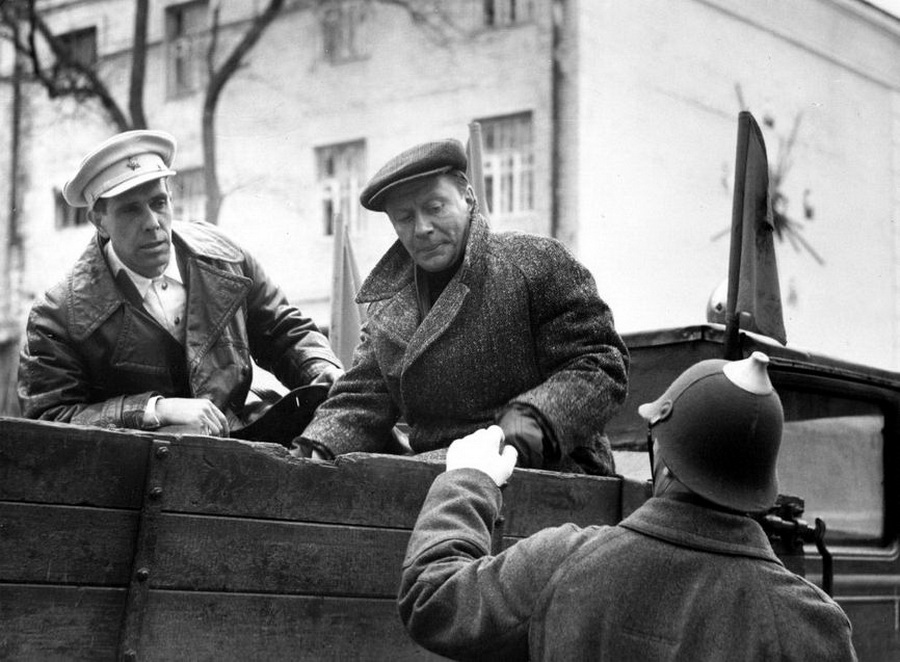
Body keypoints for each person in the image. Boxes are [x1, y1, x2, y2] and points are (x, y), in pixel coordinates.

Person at [398, 352, 858, 661]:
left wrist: (468, 480)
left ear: (661, 456)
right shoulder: (812, 624)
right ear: (760, 484)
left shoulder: (562, 560)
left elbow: (434, 600)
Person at [297, 139, 628, 474]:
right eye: (405, 217)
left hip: (546, 466)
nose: (422, 228)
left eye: (435, 207)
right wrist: (318, 447)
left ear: (468, 198)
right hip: (434, 471)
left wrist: (524, 428)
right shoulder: (386, 307)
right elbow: (363, 397)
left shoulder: (535, 262)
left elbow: (599, 364)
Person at [18, 130, 342, 437]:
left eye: (159, 203)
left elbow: (285, 332)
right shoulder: (58, 313)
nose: (152, 223)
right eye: (130, 210)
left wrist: (322, 370)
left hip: (243, 445)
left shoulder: (226, 258)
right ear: (99, 221)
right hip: (136, 470)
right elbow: (49, 420)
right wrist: (155, 410)